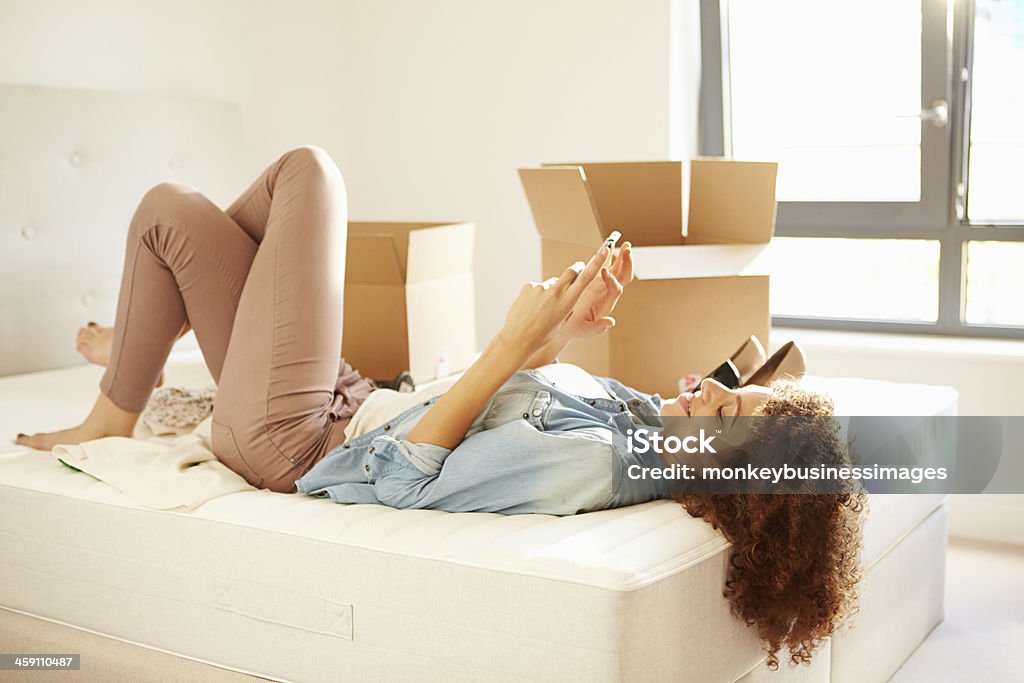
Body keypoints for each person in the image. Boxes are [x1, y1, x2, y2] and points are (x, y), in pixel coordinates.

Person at [16, 147, 863, 668]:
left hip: (297, 440)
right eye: (731, 386)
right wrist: (560, 331)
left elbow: (411, 478)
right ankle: (142, 350)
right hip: (347, 398)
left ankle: (117, 396)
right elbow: (512, 404)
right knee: (178, 212)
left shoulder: (600, 465)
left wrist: (508, 340)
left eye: (720, 414)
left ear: (717, 471)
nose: (710, 390)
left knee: (302, 175)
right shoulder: (642, 425)